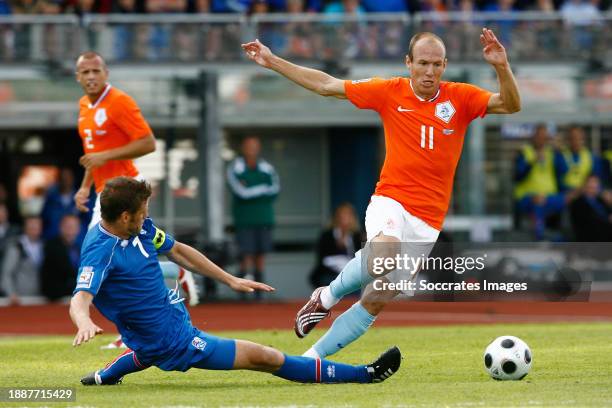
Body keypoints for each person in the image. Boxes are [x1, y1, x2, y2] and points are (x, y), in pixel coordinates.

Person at [242, 27, 521, 358]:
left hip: (428, 220)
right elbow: (327, 85)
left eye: (436, 64)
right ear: (408, 63)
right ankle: (327, 297)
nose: (429, 72)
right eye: (422, 63)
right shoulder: (389, 91)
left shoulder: (461, 97)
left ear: (444, 66)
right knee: (384, 255)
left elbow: (510, 105)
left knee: (376, 298)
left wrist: (502, 66)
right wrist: (273, 61)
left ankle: (310, 360)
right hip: (392, 200)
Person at [71, 177, 401, 386]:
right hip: (177, 341)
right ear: (125, 216)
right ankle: (364, 374)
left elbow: (178, 251)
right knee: (267, 357)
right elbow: (81, 297)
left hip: (160, 331)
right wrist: (83, 320)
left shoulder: (139, 228)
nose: (147, 217)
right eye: (142, 212)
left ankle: (105, 376)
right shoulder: (100, 251)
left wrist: (230, 280)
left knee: (147, 350)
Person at [72, 51, 198, 349]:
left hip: (124, 189)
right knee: (108, 258)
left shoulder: (119, 102)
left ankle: (131, 329)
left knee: (101, 257)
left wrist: (105, 157)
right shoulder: (83, 106)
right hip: (104, 191)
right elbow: (93, 155)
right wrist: (84, 187)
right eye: (85, 72)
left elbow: (148, 142)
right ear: (77, 77)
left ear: (106, 73)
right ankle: (174, 273)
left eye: (95, 71)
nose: (91, 77)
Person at [227, 136, 280, 299]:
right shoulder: (235, 167)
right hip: (244, 220)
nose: (252, 149)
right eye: (249, 146)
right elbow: (241, 192)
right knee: (246, 255)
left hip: (264, 219)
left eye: (255, 146)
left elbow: (275, 189)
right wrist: (262, 188)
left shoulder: (267, 167)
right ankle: (242, 295)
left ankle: (259, 296)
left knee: (260, 256)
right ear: (243, 148)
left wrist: (252, 188)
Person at [514, 124, 566, 239]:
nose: (542, 140)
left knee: (569, 200)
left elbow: (563, 171)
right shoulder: (524, 152)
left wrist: (559, 151)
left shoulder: (552, 153)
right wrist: (533, 162)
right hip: (527, 197)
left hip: (550, 196)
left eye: (545, 137)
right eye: (539, 136)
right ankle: (539, 237)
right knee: (538, 202)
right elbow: (518, 176)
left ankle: (564, 239)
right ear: (533, 137)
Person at [309, 203, 362, 289]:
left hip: (352, 274)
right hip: (330, 273)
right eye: (342, 215)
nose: (345, 219)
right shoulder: (327, 235)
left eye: (348, 215)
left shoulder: (357, 236)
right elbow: (323, 259)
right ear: (336, 217)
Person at [1, 216, 43, 305]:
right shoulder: (16, 246)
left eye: (37, 226)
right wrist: (11, 293)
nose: (34, 229)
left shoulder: (43, 245)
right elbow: (6, 273)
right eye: (31, 226)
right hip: (19, 299)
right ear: (25, 227)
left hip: (39, 297)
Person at [41, 214, 82, 301]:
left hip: (74, 297)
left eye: (74, 226)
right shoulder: (52, 246)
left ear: (78, 229)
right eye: (67, 226)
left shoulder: (78, 247)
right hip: (56, 299)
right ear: (60, 228)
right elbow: (67, 271)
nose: (70, 229)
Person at [41, 167, 87, 241]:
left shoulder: (82, 198)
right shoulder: (51, 199)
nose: (66, 180)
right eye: (63, 178)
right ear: (59, 180)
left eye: (68, 178)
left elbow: (87, 222)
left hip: (76, 243)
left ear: (73, 179)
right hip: (54, 242)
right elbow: (44, 222)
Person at [569, 175, 612, 241]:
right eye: (591, 183)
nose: (593, 185)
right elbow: (588, 222)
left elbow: (608, 213)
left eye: (596, 183)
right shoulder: (578, 203)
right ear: (584, 185)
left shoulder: (601, 200)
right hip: (592, 237)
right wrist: (607, 220)